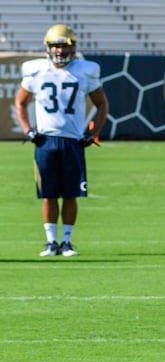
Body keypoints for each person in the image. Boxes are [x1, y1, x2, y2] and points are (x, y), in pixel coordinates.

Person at [14, 24, 109, 257]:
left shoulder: (84, 71)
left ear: (73, 48)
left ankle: (66, 241)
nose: (59, 51)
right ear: (47, 47)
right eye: (55, 46)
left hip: (73, 141)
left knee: (70, 193)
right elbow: (20, 102)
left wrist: (93, 131)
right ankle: (50, 242)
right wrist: (28, 130)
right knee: (47, 194)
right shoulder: (36, 71)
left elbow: (102, 104)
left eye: (64, 46)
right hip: (45, 141)